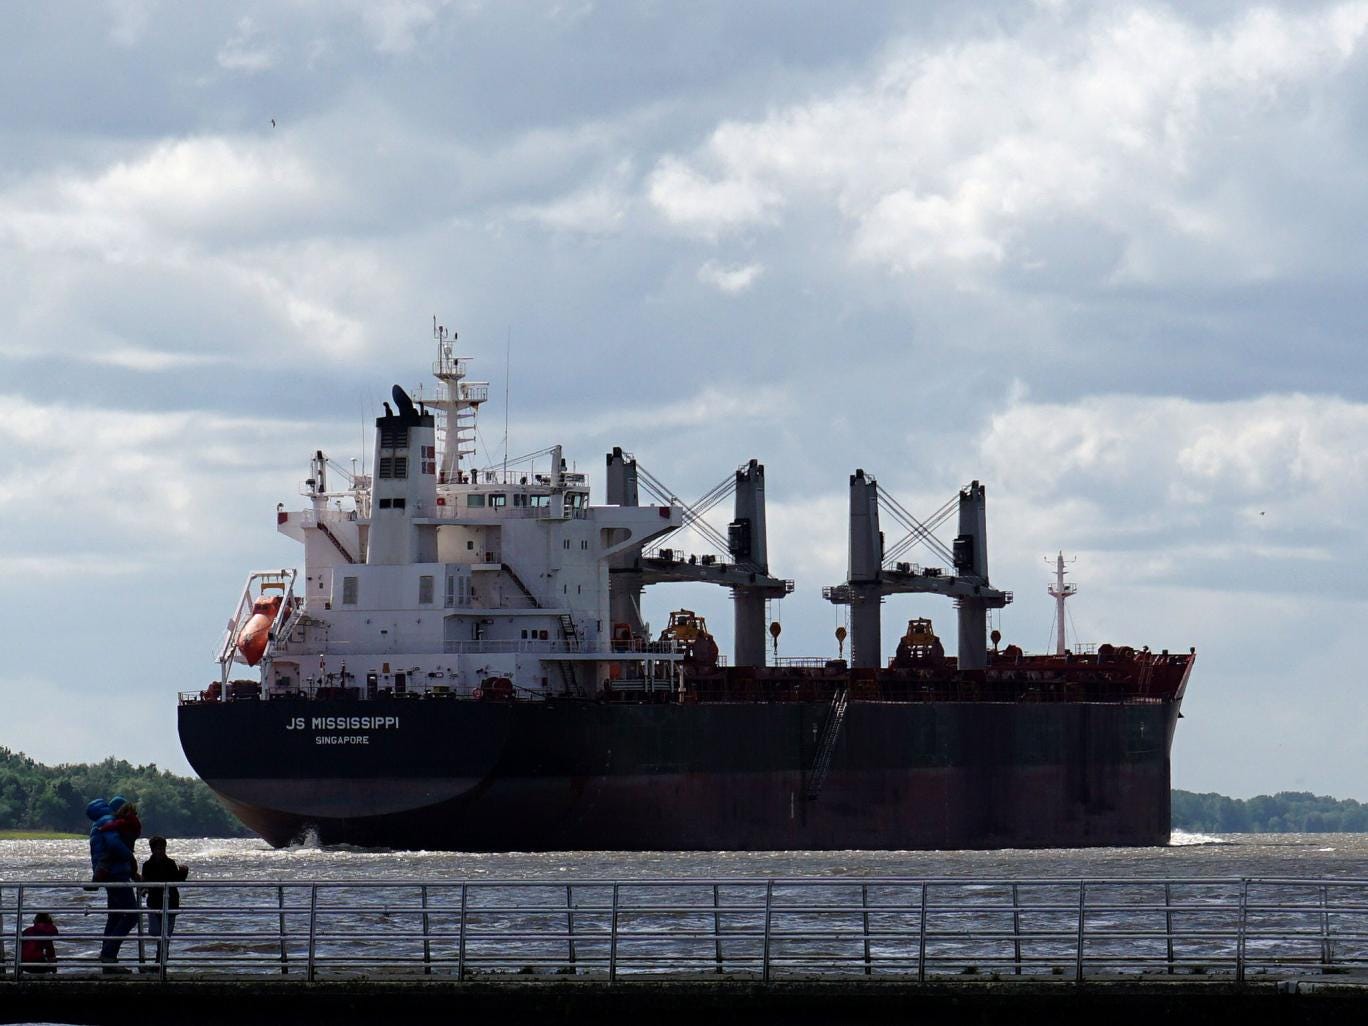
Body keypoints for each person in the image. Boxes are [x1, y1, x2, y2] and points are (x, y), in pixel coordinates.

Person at [86, 797, 139, 973]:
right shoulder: (108, 821)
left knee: (115, 917)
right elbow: (115, 844)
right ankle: (109, 954)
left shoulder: (96, 824)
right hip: (117, 875)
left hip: (109, 875)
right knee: (132, 915)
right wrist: (129, 856)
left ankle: (108, 962)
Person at [140, 836, 188, 967]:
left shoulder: (170, 863)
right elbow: (145, 882)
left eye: (163, 848)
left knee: (166, 936)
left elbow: (177, 881)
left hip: (171, 902)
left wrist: (184, 873)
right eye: (158, 848)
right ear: (152, 850)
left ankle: (160, 963)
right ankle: (160, 962)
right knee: (155, 931)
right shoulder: (147, 865)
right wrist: (144, 889)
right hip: (154, 902)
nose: (161, 851)